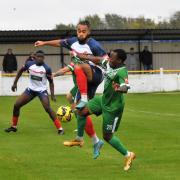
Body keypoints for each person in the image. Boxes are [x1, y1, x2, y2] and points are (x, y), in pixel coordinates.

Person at [67, 49, 136, 171]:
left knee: (107, 136)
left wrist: (120, 88)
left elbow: (126, 87)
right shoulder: (109, 63)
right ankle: (79, 139)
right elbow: (97, 59)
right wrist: (80, 56)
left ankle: (128, 155)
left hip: (113, 108)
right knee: (81, 111)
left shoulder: (121, 72)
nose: (109, 58)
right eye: (109, 56)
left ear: (119, 60)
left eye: (112, 57)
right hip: (103, 100)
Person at [5, 50, 64, 135]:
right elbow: (20, 71)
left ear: (44, 58)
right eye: (38, 56)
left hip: (41, 91)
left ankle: (60, 128)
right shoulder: (29, 64)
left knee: (47, 108)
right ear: (35, 57)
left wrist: (52, 95)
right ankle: (14, 127)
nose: (40, 58)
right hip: (30, 90)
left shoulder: (47, 68)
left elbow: (51, 82)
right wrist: (14, 83)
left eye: (42, 57)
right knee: (16, 105)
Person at [53, 60, 104, 158]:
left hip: (83, 87)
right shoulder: (79, 61)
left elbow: (64, 70)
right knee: (72, 101)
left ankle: (88, 139)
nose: (71, 52)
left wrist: (53, 75)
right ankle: (94, 140)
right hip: (81, 86)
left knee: (81, 112)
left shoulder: (78, 62)